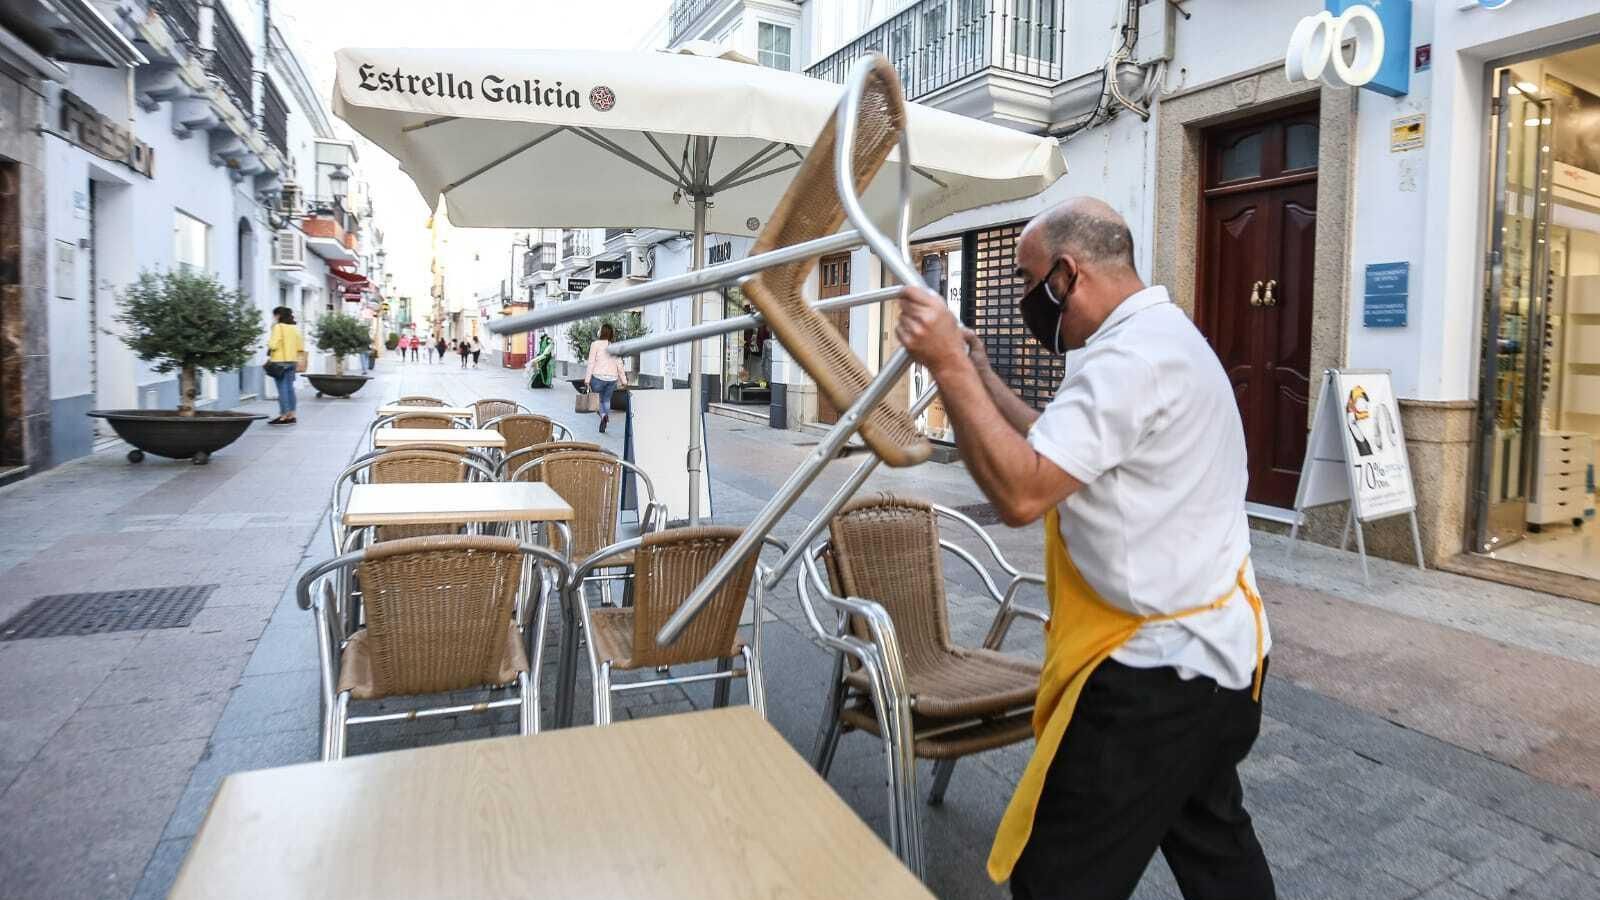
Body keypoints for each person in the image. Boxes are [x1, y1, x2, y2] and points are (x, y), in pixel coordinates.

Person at [892, 197, 1274, 900]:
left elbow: (1022, 493)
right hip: (1221, 663)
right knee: (1214, 846)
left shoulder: (1128, 362)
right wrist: (980, 377)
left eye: (1030, 284)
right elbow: (1056, 443)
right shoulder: (1160, 341)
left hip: (1158, 682)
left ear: (1068, 275)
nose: (1025, 305)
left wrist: (946, 366)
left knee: (1057, 881)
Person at [264, 306, 304, 426]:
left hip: (280, 362)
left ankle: (283, 416)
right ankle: (292, 415)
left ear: (278, 316)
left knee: (282, 389)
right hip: (292, 361)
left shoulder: (278, 327)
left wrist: (269, 342)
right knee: (290, 389)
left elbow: (273, 345)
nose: (274, 317)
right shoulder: (294, 328)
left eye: (274, 315)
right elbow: (300, 346)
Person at [585, 323, 627, 433]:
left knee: (597, 400)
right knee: (606, 400)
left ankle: (603, 415)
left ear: (601, 332)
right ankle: (605, 415)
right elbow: (620, 364)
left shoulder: (595, 344)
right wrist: (624, 380)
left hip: (597, 377)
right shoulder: (614, 346)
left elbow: (591, 363)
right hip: (612, 378)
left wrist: (587, 379)